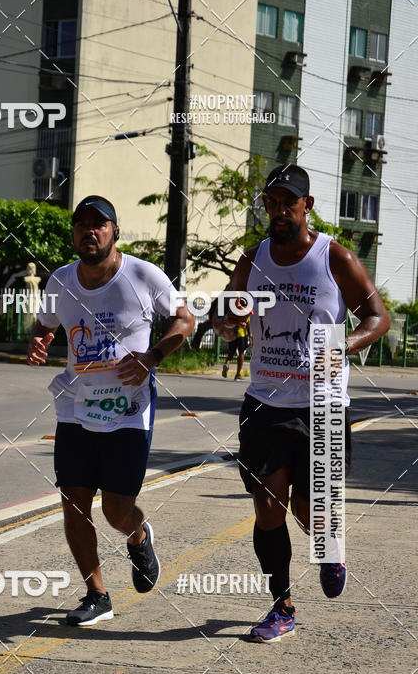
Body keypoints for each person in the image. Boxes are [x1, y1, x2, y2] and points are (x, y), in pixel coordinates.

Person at [214, 165, 390, 643]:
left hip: (325, 405)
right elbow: (224, 316)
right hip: (265, 402)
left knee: (311, 512)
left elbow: (378, 317)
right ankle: (281, 606)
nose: (278, 210)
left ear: (307, 206)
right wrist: (228, 321)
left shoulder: (334, 257)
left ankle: (330, 549)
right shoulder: (253, 259)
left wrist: (345, 346)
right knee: (268, 504)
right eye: (271, 202)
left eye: (287, 202)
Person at [28, 195, 194, 626]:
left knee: (115, 511)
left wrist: (152, 357)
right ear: (74, 234)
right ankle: (97, 594)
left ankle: (138, 536)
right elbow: (44, 324)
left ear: (114, 232)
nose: (89, 230)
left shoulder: (142, 274)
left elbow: (184, 320)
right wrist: (40, 340)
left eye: (99, 224)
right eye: (81, 224)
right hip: (75, 407)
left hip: (127, 411)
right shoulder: (60, 282)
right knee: (74, 500)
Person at [221, 314, 251, 380]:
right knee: (241, 353)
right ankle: (238, 374)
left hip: (232, 334)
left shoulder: (232, 310)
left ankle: (226, 363)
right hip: (241, 334)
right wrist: (250, 336)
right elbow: (248, 323)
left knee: (231, 352)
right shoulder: (245, 311)